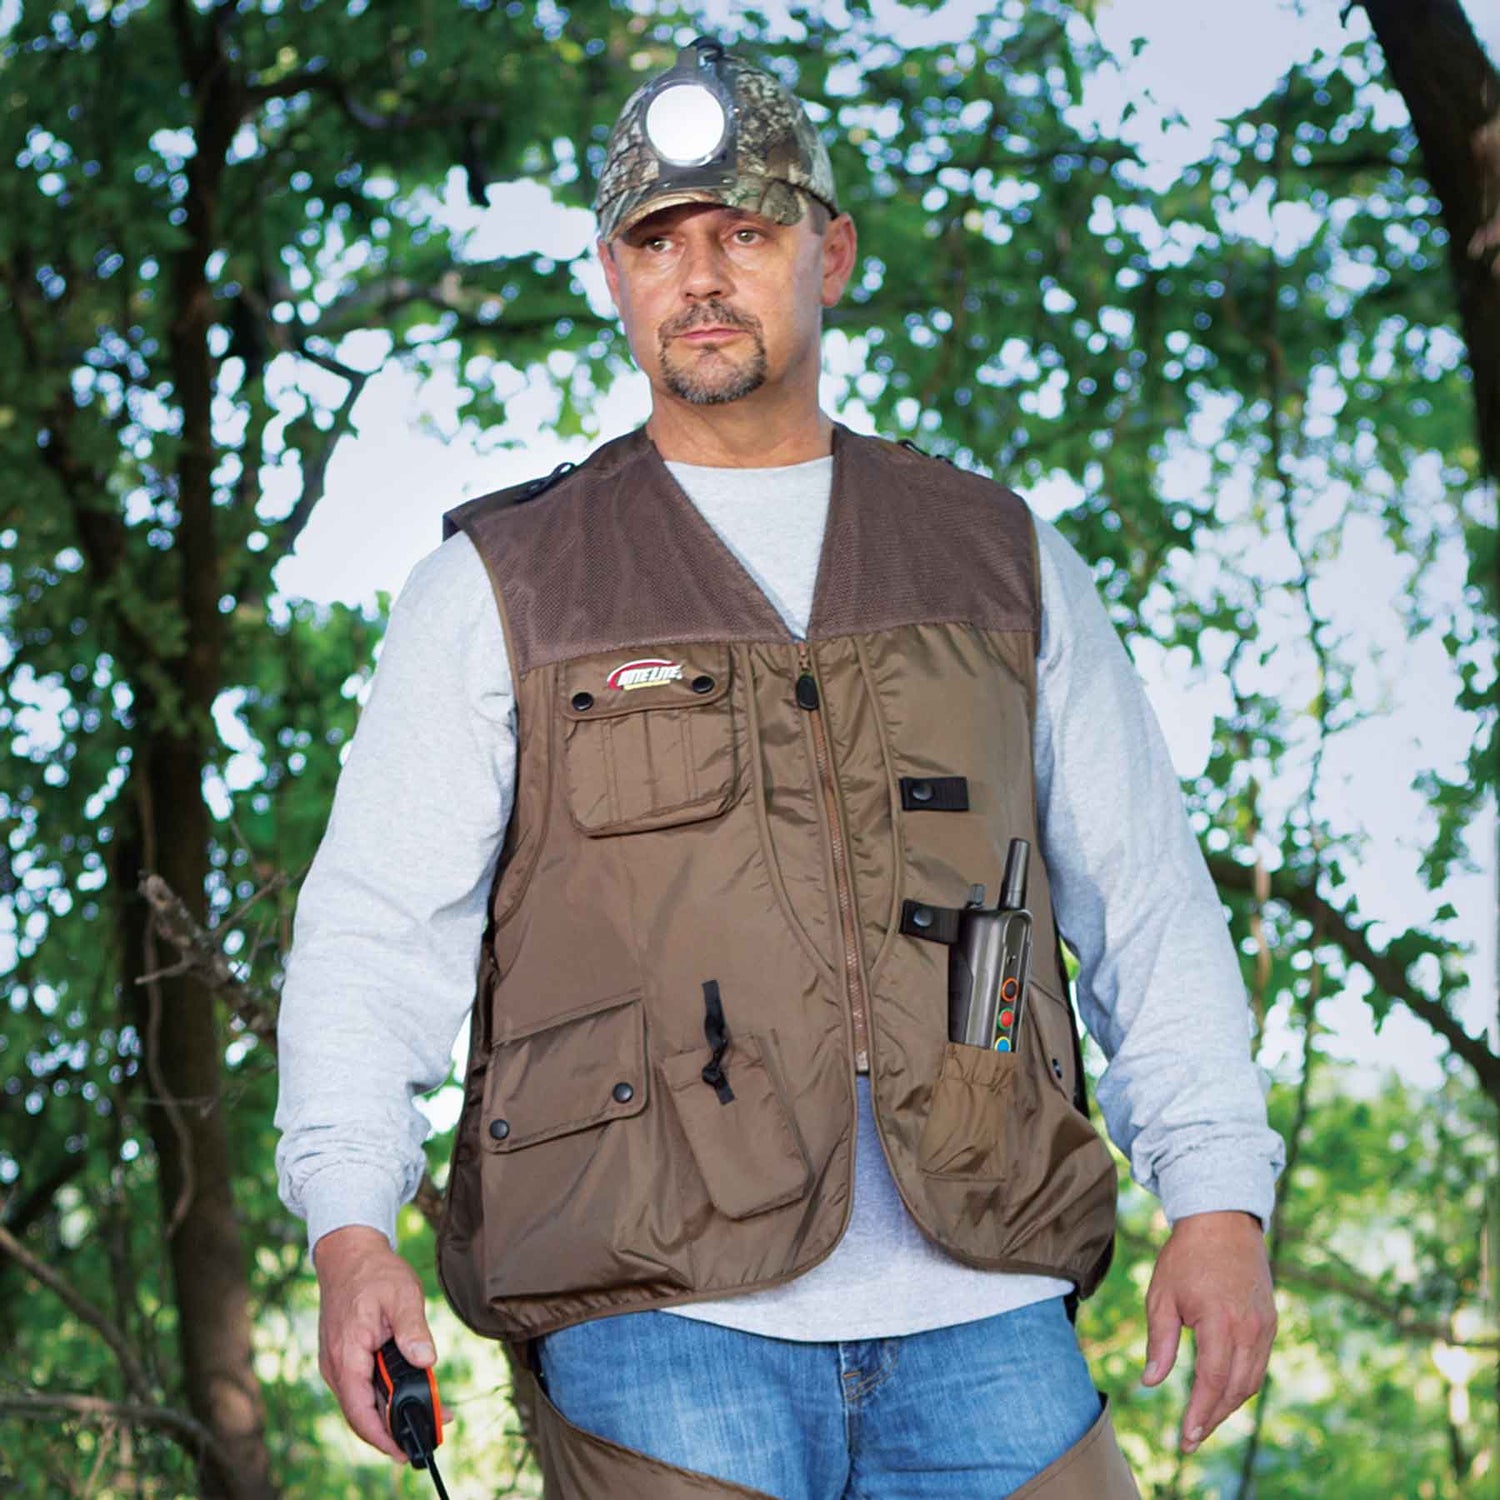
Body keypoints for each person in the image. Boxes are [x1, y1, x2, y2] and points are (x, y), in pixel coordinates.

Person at [274, 36, 1283, 1500]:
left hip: (990, 1307)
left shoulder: (1001, 559)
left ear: (832, 253)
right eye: (657, 243)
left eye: (744, 234)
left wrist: (1220, 1198)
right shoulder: (503, 584)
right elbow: (374, 934)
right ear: (612, 276)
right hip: (655, 1324)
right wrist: (350, 1227)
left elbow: (1148, 901)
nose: (699, 276)